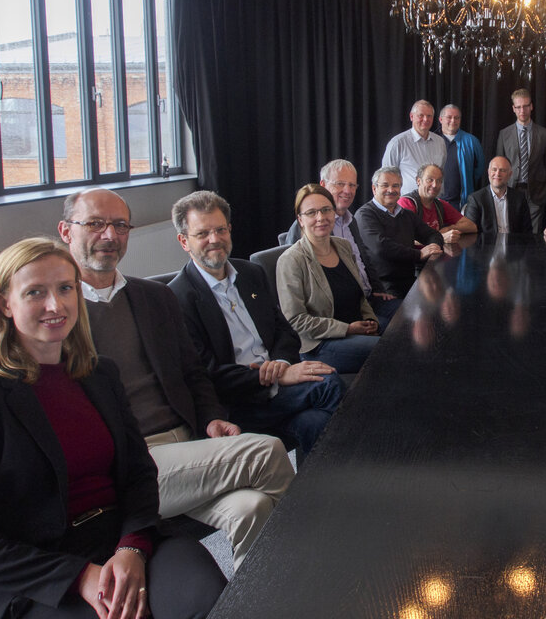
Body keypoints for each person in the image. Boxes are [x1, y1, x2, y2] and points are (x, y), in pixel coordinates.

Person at [0, 237, 226, 619]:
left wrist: (132, 547)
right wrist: (79, 577)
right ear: (5, 303)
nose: (55, 305)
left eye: (65, 289)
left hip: (121, 537)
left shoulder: (100, 374)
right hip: (36, 571)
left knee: (212, 601)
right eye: (35, 292)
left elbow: (140, 474)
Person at [59, 188, 294, 572]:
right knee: (266, 452)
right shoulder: (58, 313)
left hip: (187, 443)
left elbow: (193, 374)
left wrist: (210, 419)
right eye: (95, 224)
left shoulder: (153, 296)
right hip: (132, 463)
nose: (109, 235)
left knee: (253, 507)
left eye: (120, 225)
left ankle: (261, 601)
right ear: (66, 231)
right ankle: (315, 567)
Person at [168, 190, 345, 454]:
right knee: (328, 382)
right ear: (184, 241)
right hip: (240, 399)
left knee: (314, 422)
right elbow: (205, 373)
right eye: (203, 234)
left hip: (277, 386)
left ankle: (318, 492)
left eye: (220, 230)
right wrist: (276, 377)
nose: (214, 240)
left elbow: (284, 330)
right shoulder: (177, 297)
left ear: (229, 230)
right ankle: (360, 463)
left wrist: (283, 364)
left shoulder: (251, 273)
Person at [281, 159, 399, 329]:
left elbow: (364, 259)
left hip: (368, 299)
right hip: (338, 314)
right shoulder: (307, 228)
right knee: (396, 332)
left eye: (352, 185)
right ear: (322, 185)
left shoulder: (351, 220)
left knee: (413, 314)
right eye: (340, 184)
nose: (348, 191)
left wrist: (377, 288)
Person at [277, 184, 381, 374]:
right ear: (300, 220)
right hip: (320, 344)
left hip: (356, 330)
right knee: (389, 352)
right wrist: (348, 329)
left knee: (402, 337)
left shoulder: (343, 246)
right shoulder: (291, 260)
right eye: (311, 213)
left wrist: (369, 319)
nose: (321, 218)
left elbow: (359, 295)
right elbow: (295, 320)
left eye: (326, 210)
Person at [354, 167, 444, 297]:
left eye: (395, 186)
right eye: (385, 185)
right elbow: (381, 247)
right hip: (383, 289)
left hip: (410, 282)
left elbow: (433, 234)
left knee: (438, 301)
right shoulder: (365, 215)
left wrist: (434, 247)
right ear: (374, 189)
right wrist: (419, 254)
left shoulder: (406, 214)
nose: (391, 190)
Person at [496, 88, 546, 233]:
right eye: (519, 107)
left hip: (536, 192)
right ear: (513, 109)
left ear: (531, 106)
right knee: (512, 231)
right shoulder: (504, 134)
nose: (522, 110)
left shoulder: (544, 134)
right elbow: (498, 165)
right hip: (511, 190)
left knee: (533, 235)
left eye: (526, 106)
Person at [398, 163, 478, 242]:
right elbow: (405, 240)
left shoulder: (440, 204)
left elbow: (472, 226)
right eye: (430, 180)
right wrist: (440, 237)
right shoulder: (406, 203)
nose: (435, 185)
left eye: (439, 181)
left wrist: (449, 228)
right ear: (418, 181)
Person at [381, 100, 446, 189]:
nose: (425, 119)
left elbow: (440, 173)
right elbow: (386, 176)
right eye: (421, 115)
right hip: (406, 201)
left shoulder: (440, 142)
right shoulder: (397, 143)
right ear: (412, 116)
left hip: (434, 200)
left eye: (429, 116)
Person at [463, 156, 533, 235]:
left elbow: (527, 232)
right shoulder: (475, 199)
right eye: (494, 169)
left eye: (502, 170)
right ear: (488, 172)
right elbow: (470, 233)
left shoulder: (519, 198)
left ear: (510, 174)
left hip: (513, 245)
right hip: (486, 246)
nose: (497, 173)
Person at [437, 104, 485, 211]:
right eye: (449, 117)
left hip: (461, 204)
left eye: (457, 117)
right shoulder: (433, 140)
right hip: (436, 202)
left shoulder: (471, 141)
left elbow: (479, 169)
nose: (453, 120)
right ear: (441, 119)